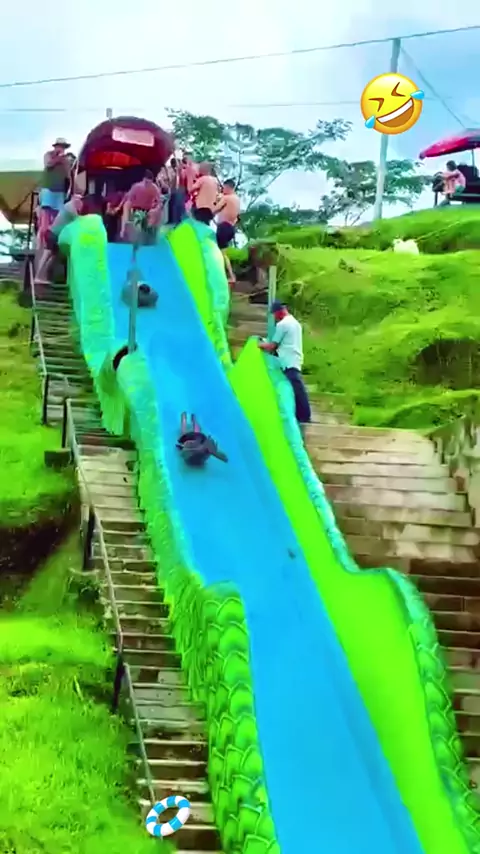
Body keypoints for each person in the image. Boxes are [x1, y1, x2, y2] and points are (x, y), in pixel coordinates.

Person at [258, 301, 311, 433]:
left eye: (275, 314)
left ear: (279, 312)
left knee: (297, 389)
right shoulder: (295, 323)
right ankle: (302, 415)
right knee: (296, 388)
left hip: (288, 361)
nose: (275, 317)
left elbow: (272, 346)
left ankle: (304, 416)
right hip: (295, 358)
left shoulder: (283, 325)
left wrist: (258, 345)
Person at [37, 137, 72, 245]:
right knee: (45, 219)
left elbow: (68, 175)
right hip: (48, 189)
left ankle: (52, 243)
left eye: (63, 147)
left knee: (57, 219)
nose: (61, 149)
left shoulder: (65, 160)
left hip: (60, 191)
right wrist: (58, 158)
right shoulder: (48, 155)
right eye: (59, 146)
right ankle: (41, 244)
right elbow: (48, 164)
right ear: (55, 147)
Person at [120, 170, 162, 243]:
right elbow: (128, 199)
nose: (147, 185)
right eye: (146, 182)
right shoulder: (136, 187)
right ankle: (123, 229)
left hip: (148, 210)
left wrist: (155, 209)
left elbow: (160, 203)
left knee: (157, 211)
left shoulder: (154, 188)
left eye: (149, 183)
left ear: (152, 182)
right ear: (143, 180)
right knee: (126, 205)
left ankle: (149, 231)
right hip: (136, 208)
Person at [215, 179, 240, 285]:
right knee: (223, 252)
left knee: (220, 253)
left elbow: (215, 209)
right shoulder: (237, 199)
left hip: (224, 227)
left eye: (224, 188)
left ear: (229, 188)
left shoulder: (227, 198)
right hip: (231, 228)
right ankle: (230, 275)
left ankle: (229, 275)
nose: (223, 190)